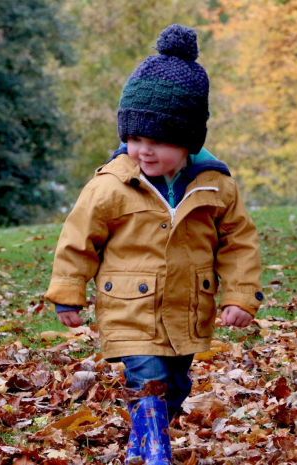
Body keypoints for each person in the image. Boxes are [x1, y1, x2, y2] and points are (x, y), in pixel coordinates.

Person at [44, 24, 264, 464]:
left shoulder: (215, 186)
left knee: (177, 385)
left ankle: (143, 443)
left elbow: (238, 242)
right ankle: (154, 455)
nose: (143, 150)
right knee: (148, 378)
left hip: (186, 311)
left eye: (158, 140)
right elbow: (78, 238)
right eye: (135, 137)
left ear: (188, 141)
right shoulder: (112, 185)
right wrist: (68, 293)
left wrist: (241, 295)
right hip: (128, 308)